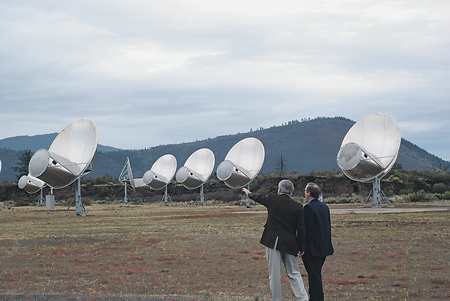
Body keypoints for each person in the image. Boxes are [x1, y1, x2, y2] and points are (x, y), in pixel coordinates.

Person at [242, 180, 308, 301]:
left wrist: (249, 193)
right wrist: (302, 247)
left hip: (274, 242)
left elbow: (259, 197)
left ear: (279, 190)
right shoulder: (298, 207)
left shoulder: (272, 200)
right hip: (290, 243)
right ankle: (303, 298)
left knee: (275, 275)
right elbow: (301, 229)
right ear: (291, 192)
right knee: (294, 273)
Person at [301, 182, 334, 301]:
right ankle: (314, 296)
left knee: (314, 275)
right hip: (323, 247)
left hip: (312, 249)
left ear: (309, 193)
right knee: (315, 274)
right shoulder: (324, 206)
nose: (304, 192)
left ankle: (317, 298)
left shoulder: (308, 208)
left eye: (305, 190)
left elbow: (307, 230)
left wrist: (303, 247)